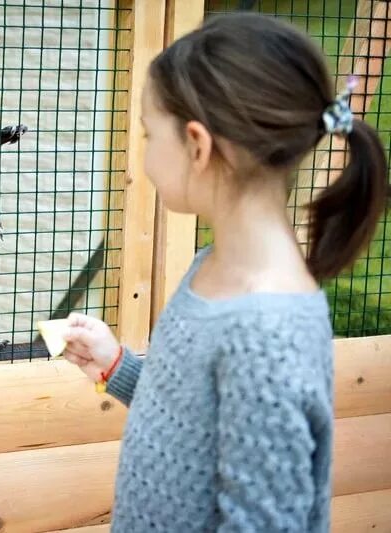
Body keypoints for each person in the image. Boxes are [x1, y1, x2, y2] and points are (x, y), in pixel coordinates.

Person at [62, 12, 388, 532]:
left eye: (149, 135)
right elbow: (191, 419)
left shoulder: (265, 333)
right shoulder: (211, 269)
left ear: (197, 145)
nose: (143, 159)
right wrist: (116, 366)